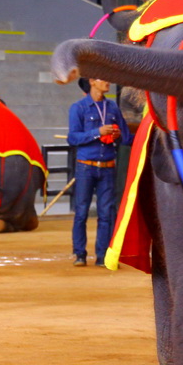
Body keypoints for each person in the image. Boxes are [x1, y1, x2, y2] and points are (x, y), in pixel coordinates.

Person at [67, 78, 131, 266]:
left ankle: (103, 255)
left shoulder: (112, 107)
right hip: (86, 166)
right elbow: (72, 138)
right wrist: (98, 132)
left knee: (106, 213)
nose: (108, 82)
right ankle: (80, 254)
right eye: (102, 79)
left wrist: (118, 136)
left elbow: (126, 137)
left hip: (107, 167)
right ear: (92, 82)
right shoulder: (78, 108)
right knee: (81, 212)